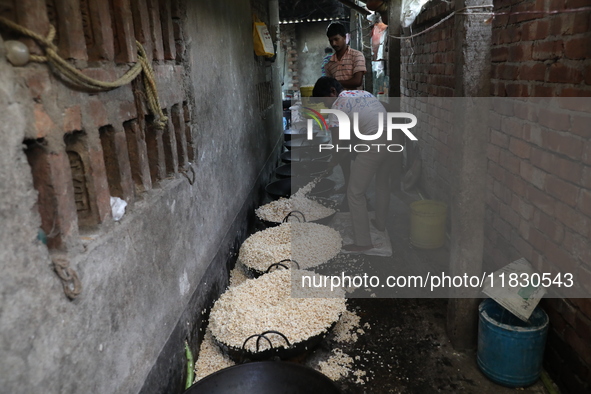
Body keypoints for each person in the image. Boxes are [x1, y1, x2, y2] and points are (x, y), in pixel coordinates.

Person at [313, 77, 400, 252]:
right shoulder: (362, 93)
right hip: (394, 137)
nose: (325, 105)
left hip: (375, 142)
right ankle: (380, 224)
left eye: (324, 100)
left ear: (332, 91)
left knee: (354, 193)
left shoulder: (337, 106)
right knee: (383, 183)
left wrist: (333, 161)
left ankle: (363, 242)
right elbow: (387, 109)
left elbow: (338, 145)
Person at [324, 22, 367, 90]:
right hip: (338, 100)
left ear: (344, 37)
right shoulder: (329, 64)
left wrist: (335, 83)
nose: (333, 43)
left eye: (336, 39)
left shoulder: (357, 56)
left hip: (355, 100)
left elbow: (357, 81)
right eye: (331, 41)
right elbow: (330, 87)